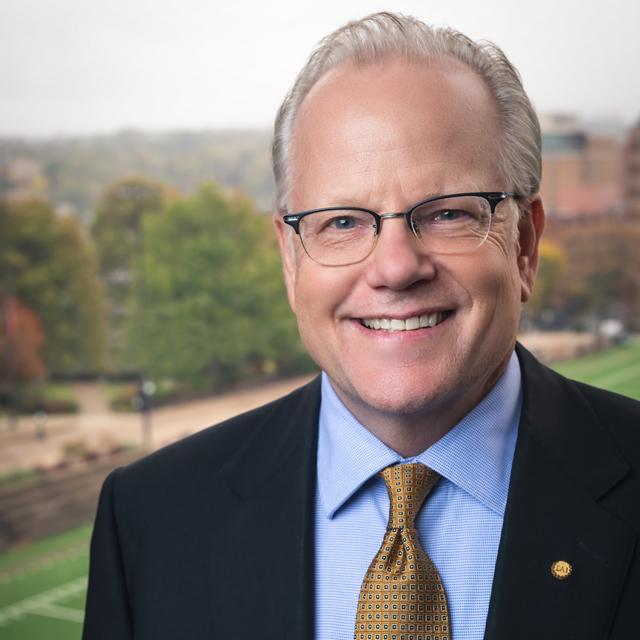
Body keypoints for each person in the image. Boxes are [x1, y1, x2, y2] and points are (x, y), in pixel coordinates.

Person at [83, 12, 640, 640]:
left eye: (448, 213)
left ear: (525, 245)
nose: (396, 267)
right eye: (342, 222)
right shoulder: (150, 520)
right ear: (290, 260)